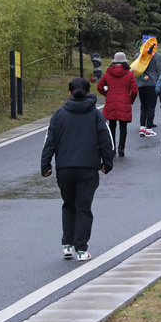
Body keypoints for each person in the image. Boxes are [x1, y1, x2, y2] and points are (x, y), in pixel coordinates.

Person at [41, 77, 114, 262]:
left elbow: (49, 141)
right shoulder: (96, 115)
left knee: (68, 205)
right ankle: (81, 249)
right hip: (88, 168)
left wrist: (46, 164)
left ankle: (67, 245)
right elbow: (106, 140)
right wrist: (107, 162)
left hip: (65, 168)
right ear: (88, 92)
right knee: (83, 207)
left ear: (69, 92)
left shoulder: (59, 115)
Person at [97, 52, 138, 156]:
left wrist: (107, 94)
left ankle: (112, 148)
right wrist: (130, 100)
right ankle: (121, 148)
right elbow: (134, 90)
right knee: (123, 126)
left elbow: (99, 86)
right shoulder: (129, 74)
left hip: (111, 100)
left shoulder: (108, 72)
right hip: (124, 100)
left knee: (112, 126)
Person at [134, 36, 161, 137]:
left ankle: (142, 128)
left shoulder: (137, 55)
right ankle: (149, 128)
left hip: (141, 84)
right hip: (152, 84)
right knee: (151, 107)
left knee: (143, 106)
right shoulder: (157, 56)